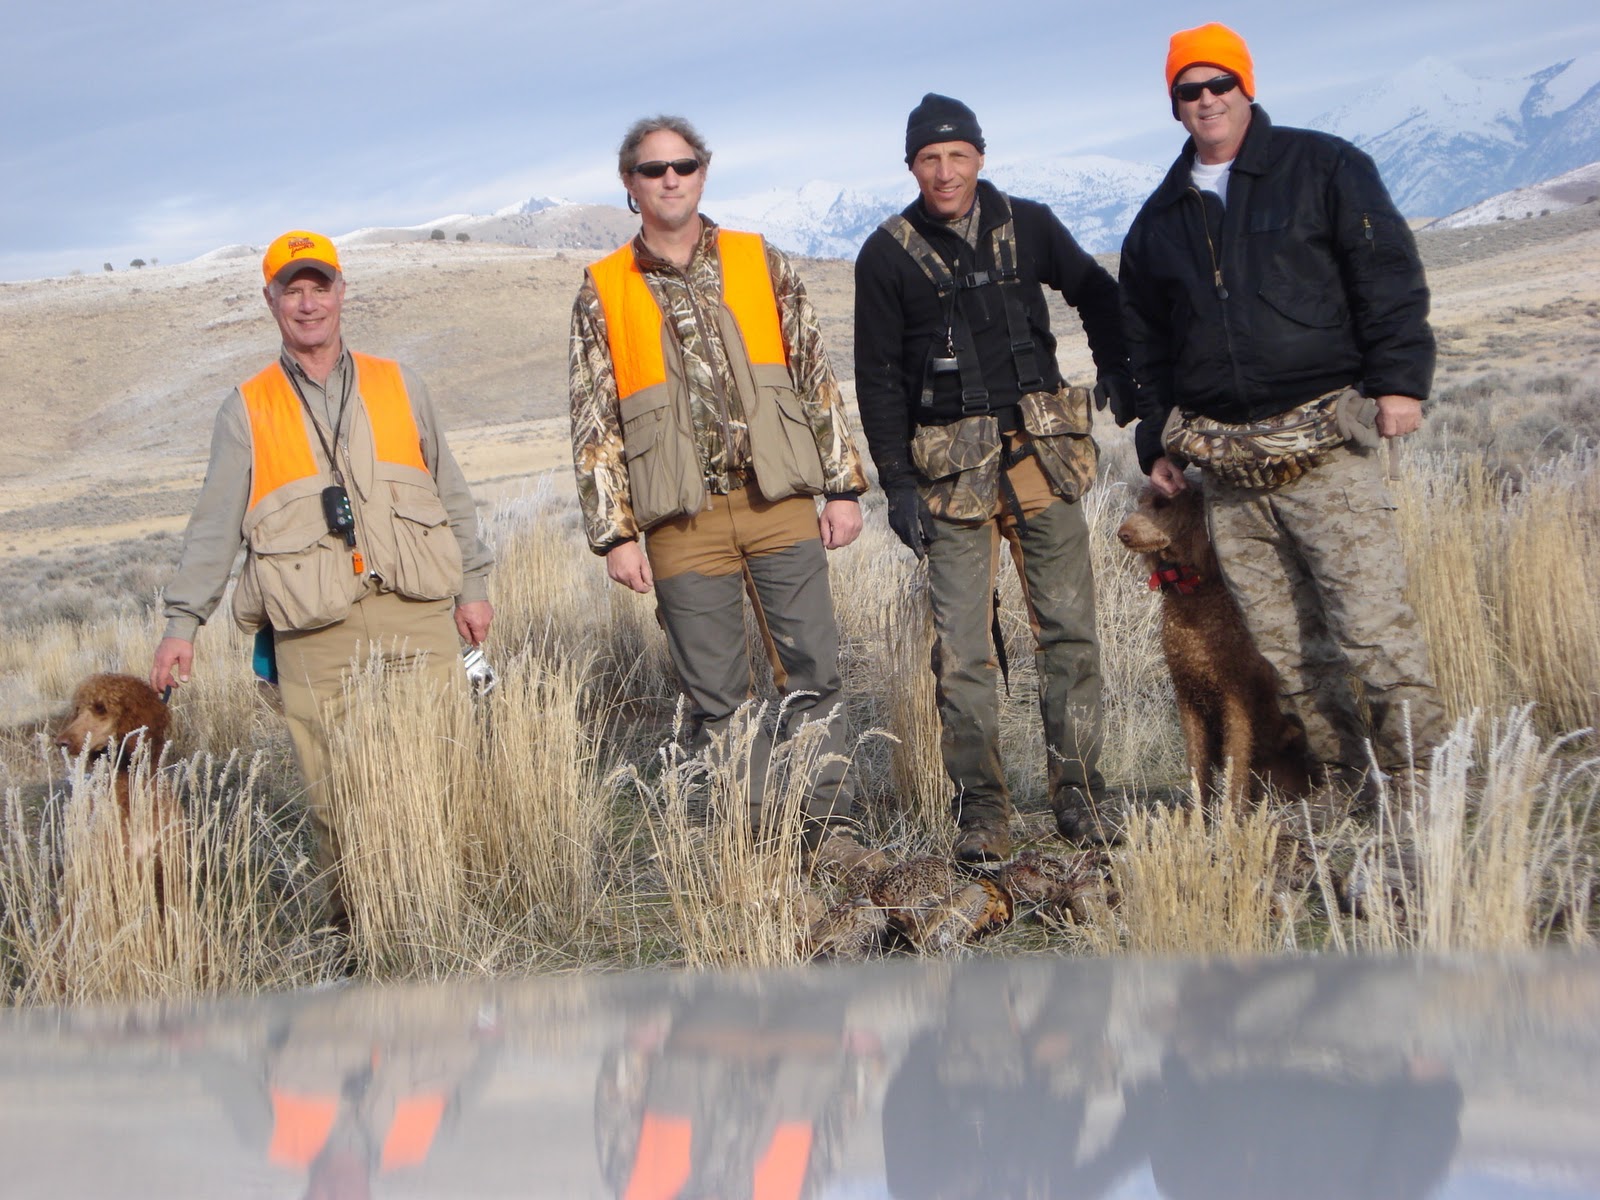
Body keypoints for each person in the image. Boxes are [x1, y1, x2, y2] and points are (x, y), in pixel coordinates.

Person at [1119, 24, 1449, 799]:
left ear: (1246, 86)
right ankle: (1342, 782)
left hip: (1326, 446)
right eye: (1189, 90)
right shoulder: (1160, 218)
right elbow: (1144, 342)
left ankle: (1428, 783)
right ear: (1174, 105)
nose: (1206, 101)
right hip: (1228, 471)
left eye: (1219, 84)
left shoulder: (1323, 167)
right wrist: (1153, 433)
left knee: (1370, 626)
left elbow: (1387, 275)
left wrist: (1400, 380)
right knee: (1286, 644)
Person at [150, 230, 494, 929]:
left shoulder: (400, 383)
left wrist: (475, 586)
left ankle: (450, 922)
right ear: (270, 299)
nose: (308, 303)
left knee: (445, 768)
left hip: (416, 604)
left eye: (320, 286)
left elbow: (450, 491)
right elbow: (215, 524)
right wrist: (182, 624)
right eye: (292, 289)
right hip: (312, 624)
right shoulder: (246, 408)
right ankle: (359, 929)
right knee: (332, 790)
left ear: (342, 292)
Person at [568, 115, 874, 868]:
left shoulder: (755, 259)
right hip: (681, 519)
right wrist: (614, 533)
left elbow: (812, 371)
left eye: (684, 164)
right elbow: (592, 417)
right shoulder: (603, 287)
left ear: (703, 171)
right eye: (652, 169)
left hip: (778, 503)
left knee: (812, 672)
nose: (669, 178)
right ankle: (755, 837)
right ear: (629, 184)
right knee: (715, 695)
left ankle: (831, 828)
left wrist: (841, 487)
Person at [854, 94, 1135, 862]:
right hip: (948, 480)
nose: (944, 172)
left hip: (1042, 460)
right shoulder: (885, 256)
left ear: (981, 156)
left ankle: (1081, 796)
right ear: (910, 165)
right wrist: (897, 487)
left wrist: (1120, 370)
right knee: (963, 653)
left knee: (1070, 632)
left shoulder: (1031, 224)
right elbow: (876, 378)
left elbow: (1099, 293)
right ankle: (983, 811)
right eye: (928, 159)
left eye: (957, 155)